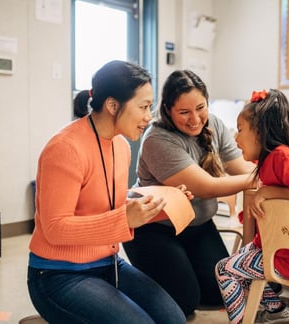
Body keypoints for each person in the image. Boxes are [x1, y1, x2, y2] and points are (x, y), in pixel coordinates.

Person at [27, 60, 186, 324]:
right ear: (113, 105)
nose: (149, 116)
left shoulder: (120, 146)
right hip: (58, 275)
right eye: (144, 107)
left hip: (107, 264)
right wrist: (125, 218)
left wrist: (161, 205)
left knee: (174, 320)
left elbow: (109, 204)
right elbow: (54, 227)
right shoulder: (65, 149)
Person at [122, 70, 256, 317]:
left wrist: (274, 172)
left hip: (197, 226)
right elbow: (205, 186)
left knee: (220, 293)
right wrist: (264, 178)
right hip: (155, 229)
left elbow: (242, 168)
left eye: (200, 107)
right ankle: (127, 284)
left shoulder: (213, 123)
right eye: (184, 112)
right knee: (184, 302)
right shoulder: (157, 139)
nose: (195, 118)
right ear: (167, 110)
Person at [215, 89, 289, 324]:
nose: (235, 138)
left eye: (240, 130)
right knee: (238, 259)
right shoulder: (269, 157)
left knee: (225, 269)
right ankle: (276, 309)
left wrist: (266, 192)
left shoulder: (281, 156)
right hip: (278, 245)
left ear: (260, 132)